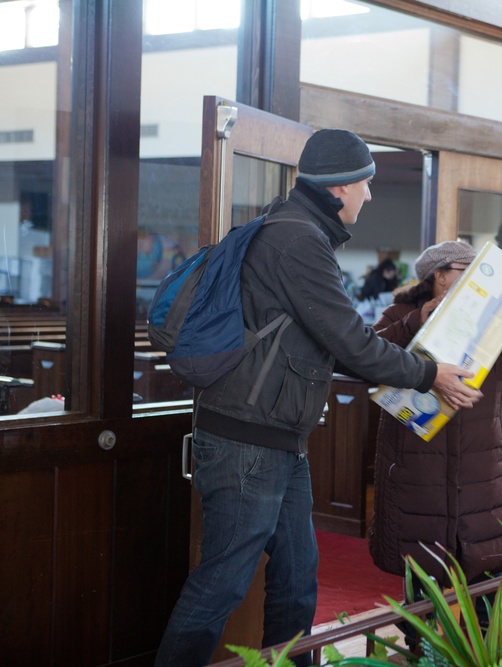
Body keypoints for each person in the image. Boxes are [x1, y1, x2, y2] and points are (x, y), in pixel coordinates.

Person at [154, 130, 482, 667]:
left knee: (296, 580)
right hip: (247, 442)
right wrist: (431, 374)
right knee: (222, 583)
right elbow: (352, 344)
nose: (370, 196)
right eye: (367, 184)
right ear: (339, 187)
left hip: (278, 439)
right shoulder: (297, 240)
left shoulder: (297, 229)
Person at [367, 239, 502, 650]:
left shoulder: (491, 318)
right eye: (467, 269)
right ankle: (420, 650)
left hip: (482, 467)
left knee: (487, 569)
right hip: (418, 469)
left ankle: (488, 651)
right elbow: (366, 358)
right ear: (440, 275)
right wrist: (417, 321)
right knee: (423, 572)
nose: (477, 280)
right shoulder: (400, 313)